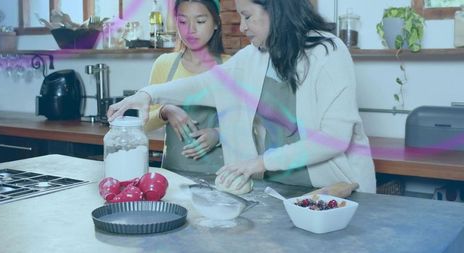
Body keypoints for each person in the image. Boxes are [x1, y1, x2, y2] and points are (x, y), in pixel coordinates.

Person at [108, 0, 377, 193]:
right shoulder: (255, 55)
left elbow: (334, 139)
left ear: (274, 9)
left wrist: (259, 163)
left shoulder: (327, 52)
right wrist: (148, 94)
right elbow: (208, 84)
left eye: (247, 16)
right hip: (277, 190)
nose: (242, 27)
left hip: (338, 189)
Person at [145, 0, 230, 173]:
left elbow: (252, 126)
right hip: (172, 175)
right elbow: (144, 123)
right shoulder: (164, 64)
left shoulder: (231, 66)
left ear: (216, 23)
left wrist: (218, 134)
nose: (190, 29)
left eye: (200, 21)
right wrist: (165, 111)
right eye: (183, 21)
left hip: (222, 176)